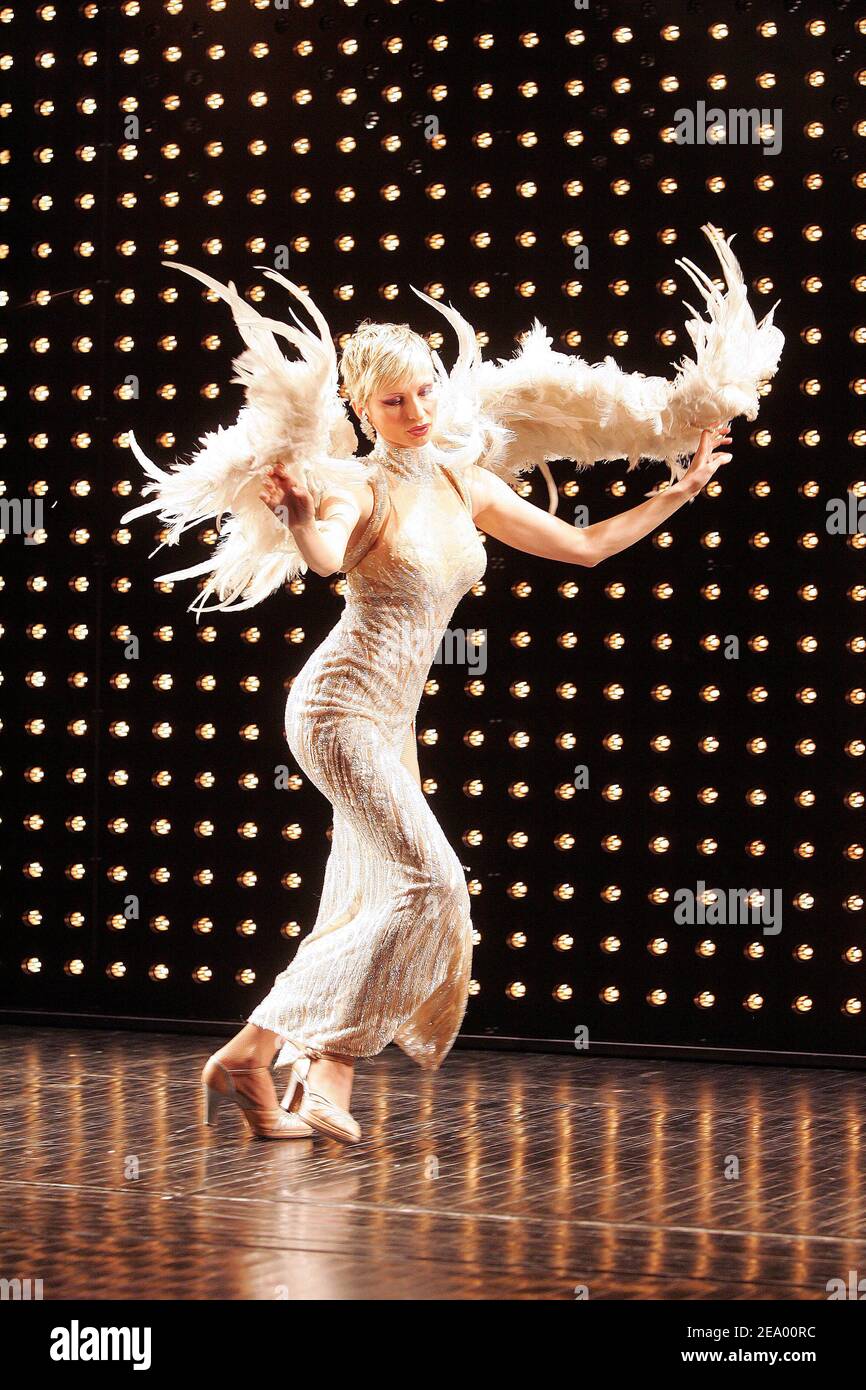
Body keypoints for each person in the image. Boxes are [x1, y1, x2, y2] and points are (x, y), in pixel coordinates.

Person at [121, 225, 780, 1144]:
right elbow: (319, 561)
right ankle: (251, 1051)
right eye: (396, 400)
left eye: (428, 388)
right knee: (432, 889)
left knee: (366, 894)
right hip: (338, 709)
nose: (420, 409)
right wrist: (307, 515)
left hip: (391, 718)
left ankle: (305, 1079)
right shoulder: (355, 484)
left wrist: (678, 492)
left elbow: (582, 548)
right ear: (366, 409)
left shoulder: (461, 480)